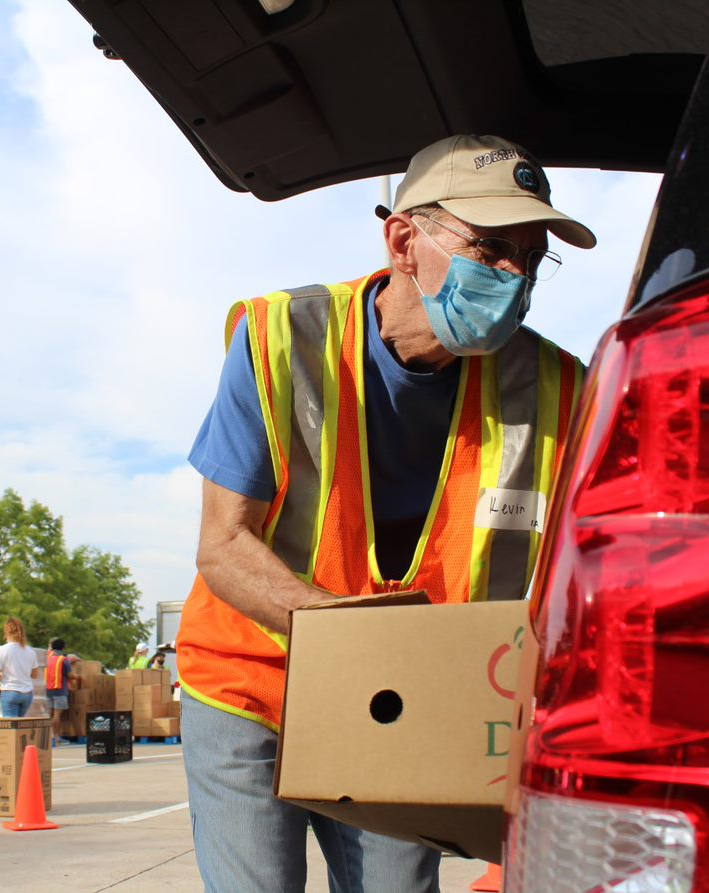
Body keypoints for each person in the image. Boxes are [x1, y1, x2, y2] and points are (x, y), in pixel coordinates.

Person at [175, 135, 594, 892]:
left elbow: (579, 576)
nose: (515, 278)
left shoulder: (560, 389)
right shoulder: (280, 339)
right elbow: (222, 545)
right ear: (405, 239)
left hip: (411, 693)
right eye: (492, 248)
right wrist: (350, 638)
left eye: (531, 259)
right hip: (252, 678)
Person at [0, 618, 37, 718]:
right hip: (27, 694)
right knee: (19, 726)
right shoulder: (30, 651)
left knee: (11, 728)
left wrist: (2, 677)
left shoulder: (2, 650)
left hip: (9, 691)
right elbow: (34, 675)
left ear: (6, 631)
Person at [45, 638, 74, 742]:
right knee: (57, 715)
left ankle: (47, 736)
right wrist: (77, 678)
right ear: (63, 647)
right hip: (60, 690)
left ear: (51, 646)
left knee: (48, 713)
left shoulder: (46, 658)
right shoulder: (63, 659)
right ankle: (56, 737)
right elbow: (70, 675)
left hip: (47, 690)